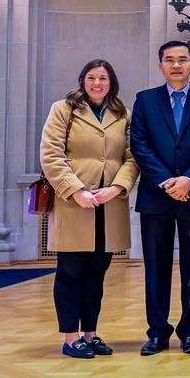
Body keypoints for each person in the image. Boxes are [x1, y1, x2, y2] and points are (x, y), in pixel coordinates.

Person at [40, 59, 140, 358]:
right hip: (74, 205)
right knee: (70, 272)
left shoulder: (123, 114)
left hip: (108, 205)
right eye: (92, 77)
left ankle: (91, 334)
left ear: (112, 83)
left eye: (104, 78)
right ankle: (71, 337)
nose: (98, 83)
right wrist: (76, 190)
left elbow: (133, 157)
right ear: (82, 80)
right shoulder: (63, 109)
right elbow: (51, 154)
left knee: (97, 272)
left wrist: (117, 188)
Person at [130, 40, 190, 356]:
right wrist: (168, 181)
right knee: (155, 267)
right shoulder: (145, 100)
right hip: (156, 198)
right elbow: (139, 144)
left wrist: (188, 180)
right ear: (160, 65)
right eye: (170, 60)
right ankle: (157, 332)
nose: (177, 65)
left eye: (183, 59)